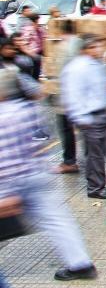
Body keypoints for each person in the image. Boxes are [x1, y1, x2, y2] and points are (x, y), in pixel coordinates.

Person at [0, 96, 98, 281]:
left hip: (11, 181)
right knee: (58, 220)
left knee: (55, 220)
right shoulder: (24, 108)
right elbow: (44, 136)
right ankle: (81, 264)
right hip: (37, 173)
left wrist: (6, 193)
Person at [60, 34, 106, 199]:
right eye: (93, 47)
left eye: (99, 46)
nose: (98, 49)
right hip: (90, 116)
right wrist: (81, 118)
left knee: (98, 153)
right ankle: (96, 188)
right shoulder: (77, 68)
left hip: (101, 113)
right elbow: (73, 95)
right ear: (84, 49)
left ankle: (97, 183)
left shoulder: (98, 64)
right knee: (94, 154)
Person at [50, 20, 83, 174]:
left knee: (66, 129)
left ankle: (69, 162)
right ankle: (90, 158)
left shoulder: (63, 47)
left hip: (67, 97)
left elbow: (61, 74)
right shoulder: (82, 44)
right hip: (82, 96)